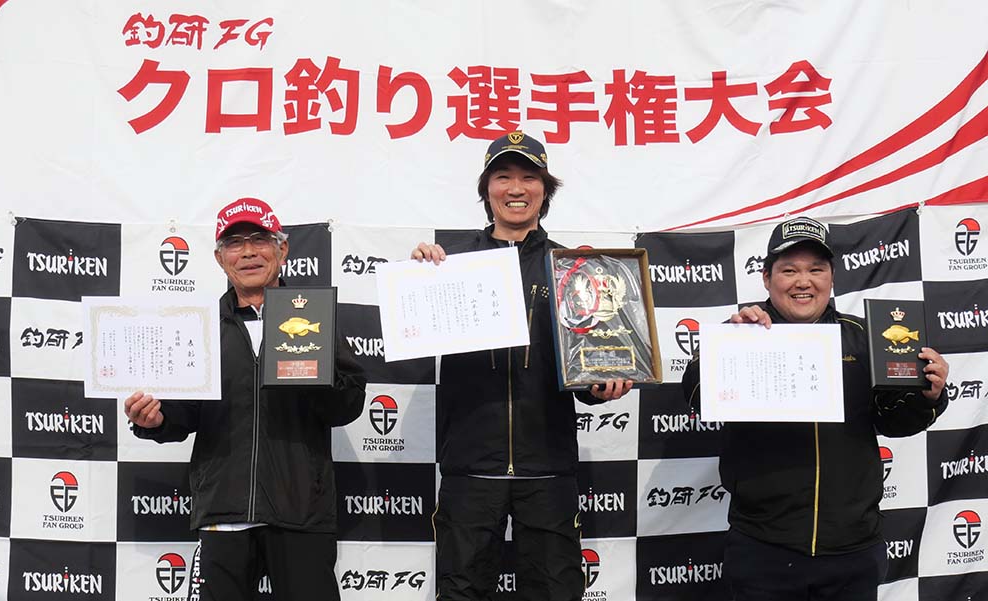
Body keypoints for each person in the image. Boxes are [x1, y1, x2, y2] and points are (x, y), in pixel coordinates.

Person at [411, 131, 632, 601]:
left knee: (556, 593)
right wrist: (418, 279)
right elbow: (414, 327)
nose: (516, 188)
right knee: (460, 593)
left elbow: (586, 361)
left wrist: (600, 385)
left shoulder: (574, 268)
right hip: (470, 468)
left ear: (545, 190)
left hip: (547, 469)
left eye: (529, 178)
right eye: (503, 177)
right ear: (486, 189)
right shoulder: (450, 267)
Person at [682, 216, 950, 601]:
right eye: (789, 270)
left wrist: (929, 395)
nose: (803, 281)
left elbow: (895, 420)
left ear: (832, 277)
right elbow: (695, 395)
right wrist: (725, 345)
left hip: (853, 549)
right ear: (766, 278)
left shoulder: (865, 336)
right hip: (763, 546)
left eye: (816, 270)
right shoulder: (740, 333)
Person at [124, 197, 366, 601]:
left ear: (282, 250)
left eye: (260, 239)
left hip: (301, 512)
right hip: (224, 512)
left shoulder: (314, 318)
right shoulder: (198, 325)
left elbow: (349, 403)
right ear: (220, 259)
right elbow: (184, 413)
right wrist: (155, 420)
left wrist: (310, 376)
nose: (249, 252)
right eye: (235, 243)